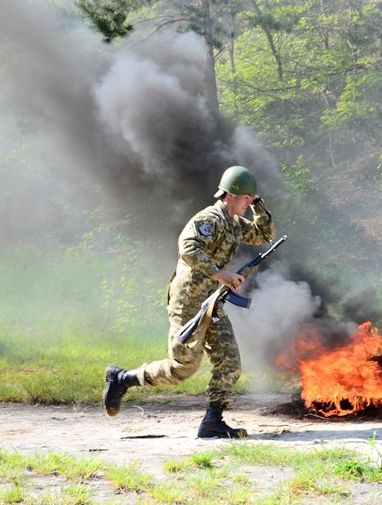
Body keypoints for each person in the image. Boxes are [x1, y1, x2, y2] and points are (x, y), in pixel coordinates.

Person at [103, 165, 277, 438]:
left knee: (230, 363)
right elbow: (188, 248)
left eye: (250, 199)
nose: (247, 204)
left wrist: (258, 204)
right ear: (231, 195)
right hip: (189, 302)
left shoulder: (234, 222)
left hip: (212, 304)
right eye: (245, 198)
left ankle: (212, 422)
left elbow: (264, 235)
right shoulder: (210, 219)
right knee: (182, 369)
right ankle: (123, 379)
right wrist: (221, 275)